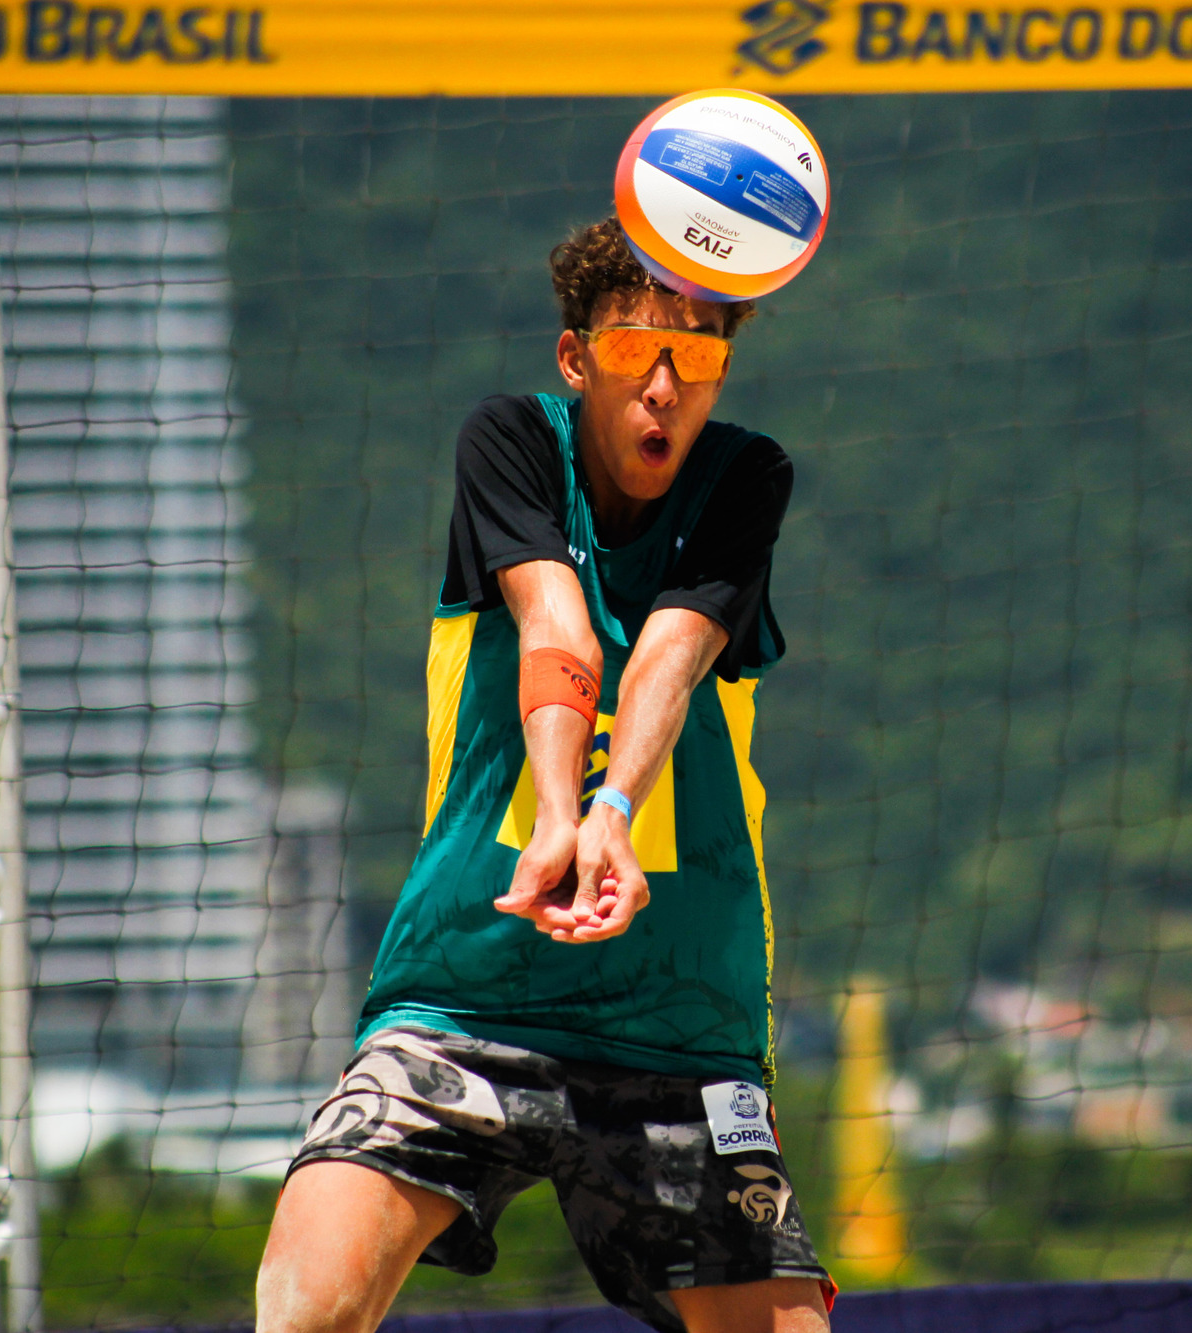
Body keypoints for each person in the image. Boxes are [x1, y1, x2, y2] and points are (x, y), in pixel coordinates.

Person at [255, 218, 833, 1333]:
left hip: (675, 1019)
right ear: (576, 358)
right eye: (634, 351)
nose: (663, 385)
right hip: (468, 990)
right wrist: (562, 818)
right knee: (307, 1305)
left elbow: (669, 654)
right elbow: (555, 623)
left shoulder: (745, 474)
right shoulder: (512, 440)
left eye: (696, 353)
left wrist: (615, 812)